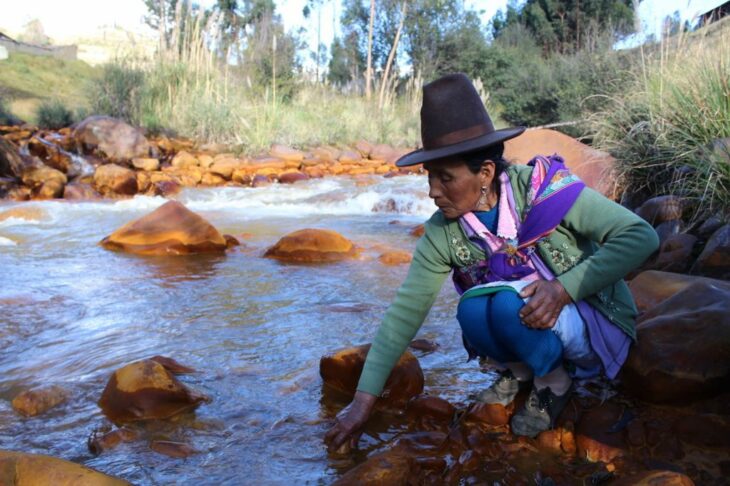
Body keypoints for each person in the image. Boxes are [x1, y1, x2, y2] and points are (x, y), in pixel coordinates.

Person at [325, 73, 659, 450]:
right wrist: (362, 402)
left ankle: (555, 382)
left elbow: (640, 236)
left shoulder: (542, 189)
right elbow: (405, 312)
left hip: (586, 318)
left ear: (485, 172)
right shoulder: (443, 231)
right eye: (430, 178)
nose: (433, 192)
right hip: (531, 322)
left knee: (500, 304)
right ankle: (519, 373)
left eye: (445, 179)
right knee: (471, 309)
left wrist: (564, 289)